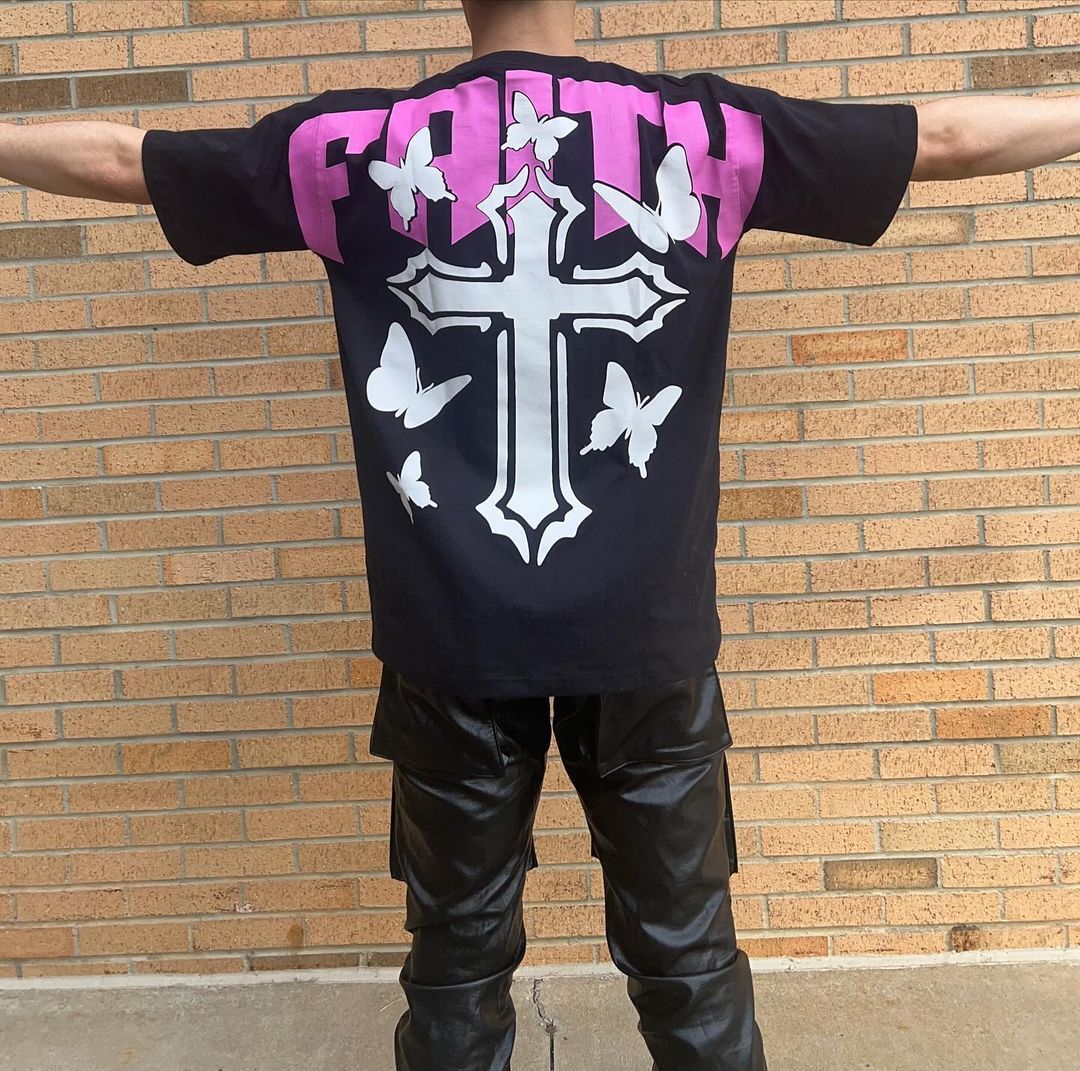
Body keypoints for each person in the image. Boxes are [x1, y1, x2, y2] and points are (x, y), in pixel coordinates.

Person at [2, 0, 1077, 1067]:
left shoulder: (357, 149)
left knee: (455, 966)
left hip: (452, 634)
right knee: (690, 962)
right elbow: (948, 137)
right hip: (644, 628)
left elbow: (122, 159)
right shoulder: (705, 134)